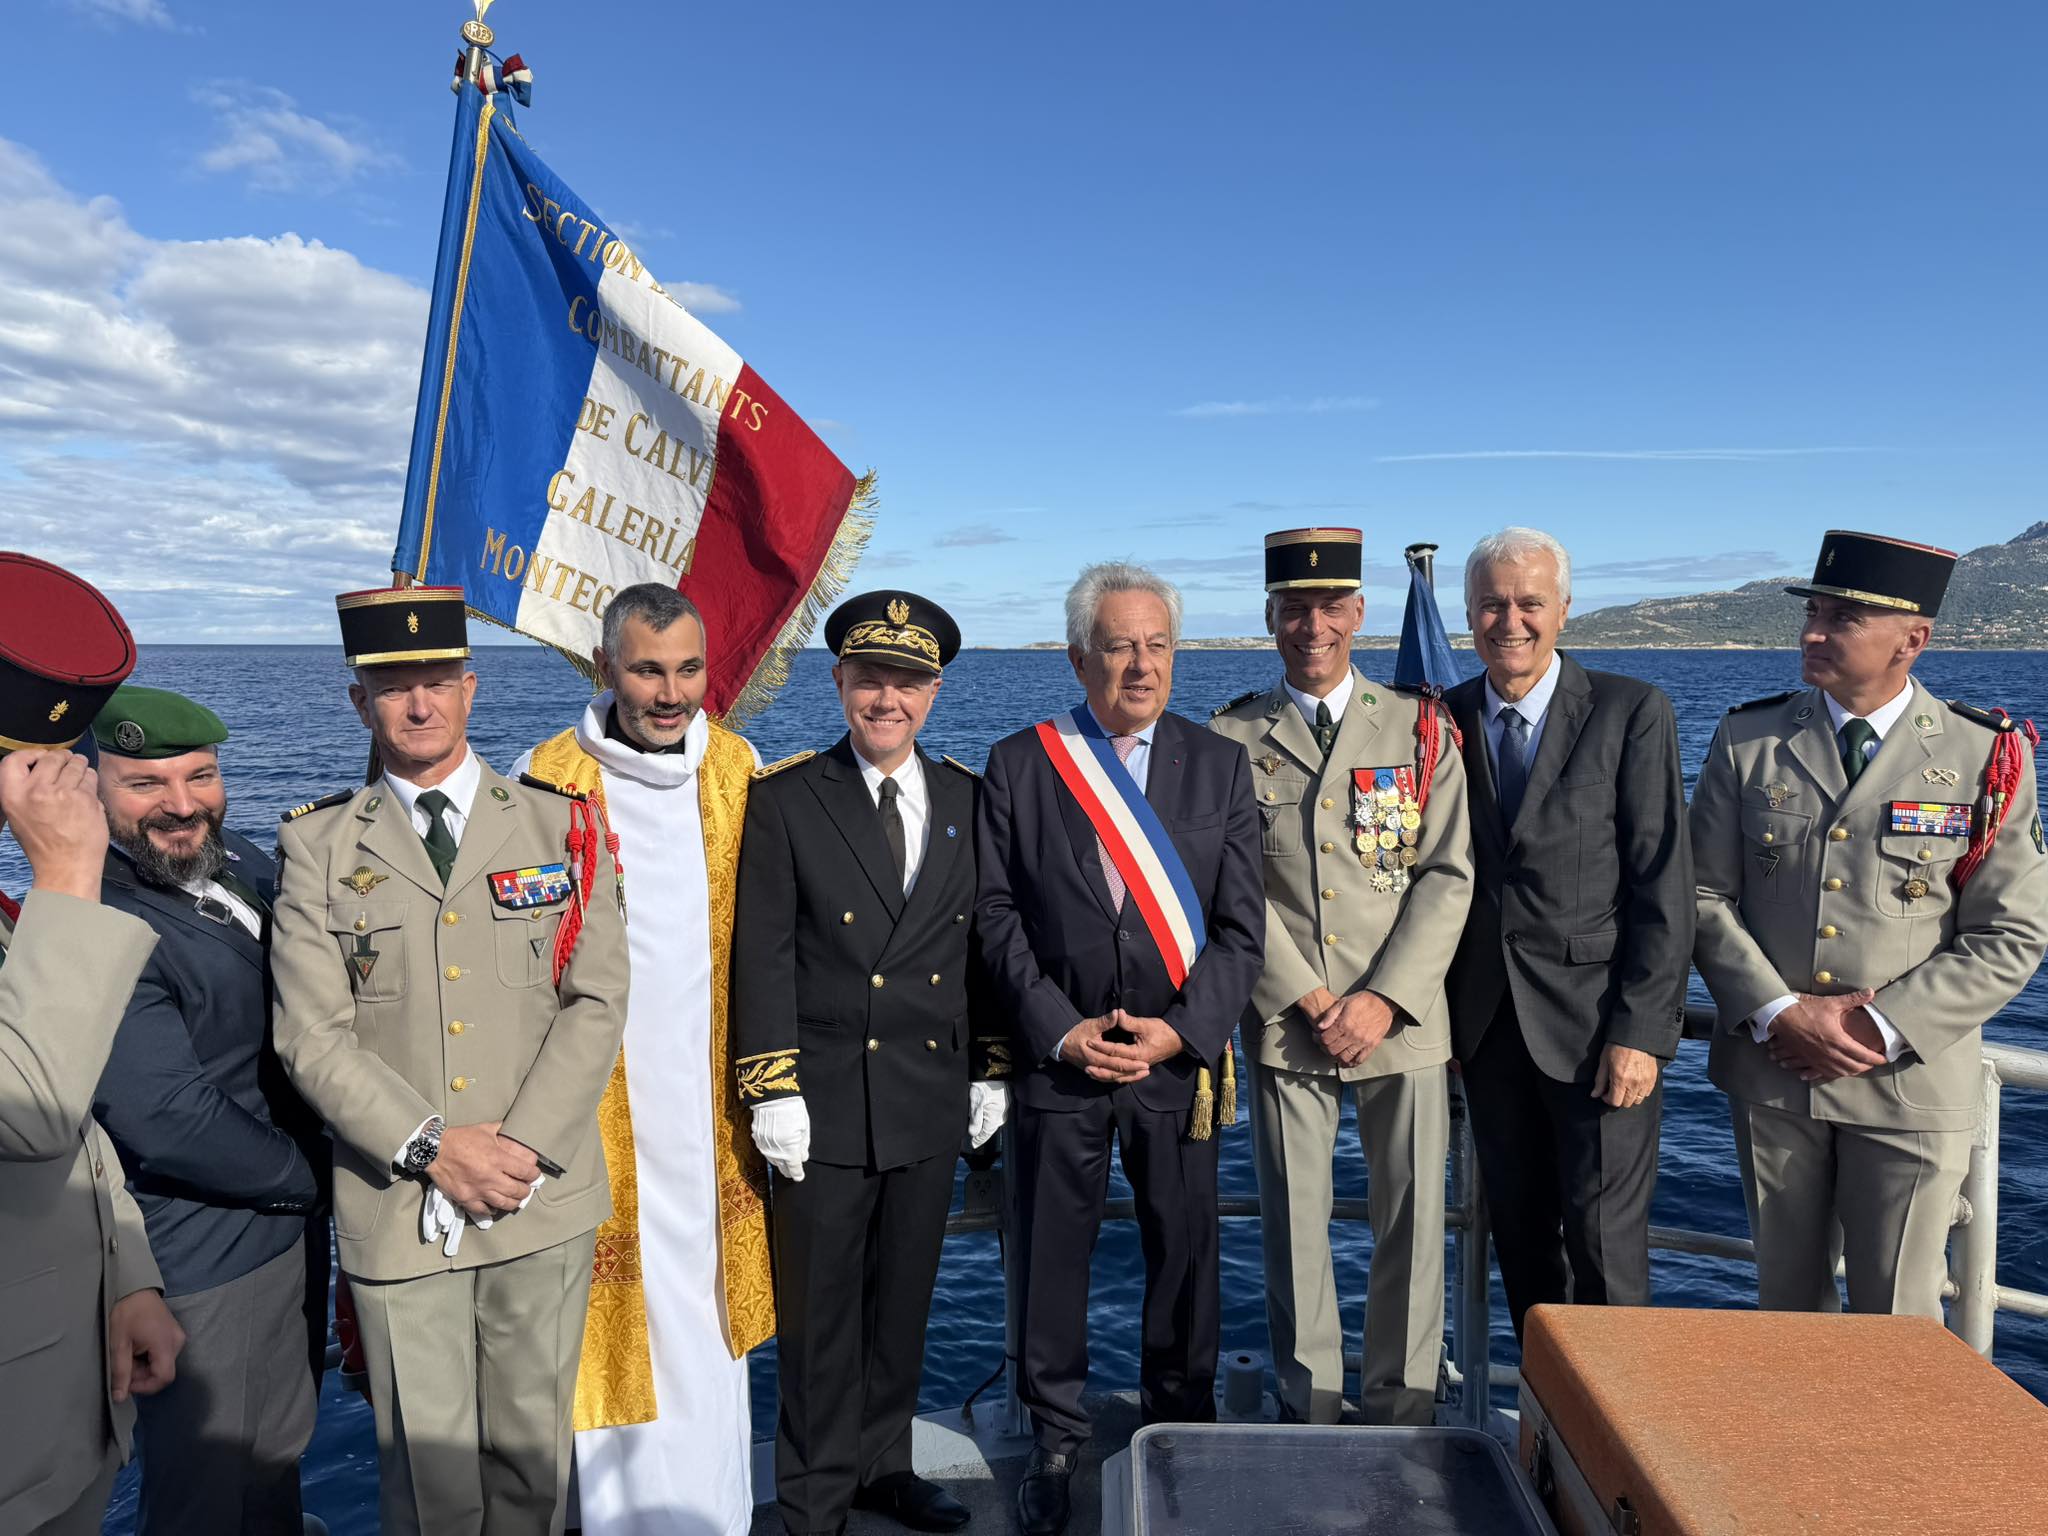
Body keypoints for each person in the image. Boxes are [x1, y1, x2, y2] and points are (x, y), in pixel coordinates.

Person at [270, 585, 630, 1536]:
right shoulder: (316, 845)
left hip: (537, 1196)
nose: (419, 704)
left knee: (532, 1470)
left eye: (437, 681)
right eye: (395, 688)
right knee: (430, 1489)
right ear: (361, 702)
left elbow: (596, 1001)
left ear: (471, 689)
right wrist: (434, 1148)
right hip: (399, 1207)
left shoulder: (562, 826)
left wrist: (519, 1150)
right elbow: (310, 1035)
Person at [1691, 530, 2048, 1316]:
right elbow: (1702, 894)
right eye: (1812, 613)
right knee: (1786, 1309)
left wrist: (1876, 1027)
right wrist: (1781, 1012)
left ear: (1912, 640)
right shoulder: (1749, 740)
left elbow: (2011, 934)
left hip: (1907, 1083)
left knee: (1898, 1322)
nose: (1812, 634)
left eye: (1841, 618)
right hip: (1776, 1072)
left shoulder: (1984, 756)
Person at [976, 562, 1263, 1536]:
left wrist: (1182, 1029)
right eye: (1118, 646)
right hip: (1061, 1062)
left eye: (1156, 645)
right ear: (1077, 658)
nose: (1140, 665)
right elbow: (995, 916)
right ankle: (1055, 1437)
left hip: (1172, 1063)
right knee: (1048, 1259)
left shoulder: (1218, 764)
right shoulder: (1022, 763)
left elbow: (1242, 929)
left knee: (1185, 1255)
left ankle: (1178, 1425)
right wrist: (1058, 1028)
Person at [733, 590, 1008, 1536]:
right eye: (870, 679)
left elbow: (982, 949)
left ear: (934, 693)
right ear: (839, 681)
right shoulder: (786, 800)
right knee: (819, 1318)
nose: (888, 699)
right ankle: (814, 1499)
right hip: (825, 1102)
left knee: (902, 1303)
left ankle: (885, 1466)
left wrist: (992, 1067)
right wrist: (771, 1085)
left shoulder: (969, 799)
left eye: (908, 682)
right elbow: (763, 953)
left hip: (927, 1095)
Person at [510, 584, 772, 1536]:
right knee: (606, 1309)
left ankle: (714, 1512)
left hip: (711, 1102)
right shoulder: (542, 779)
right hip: (598, 1101)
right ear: (604, 667)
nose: (671, 694)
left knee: (704, 1315)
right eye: (648, 671)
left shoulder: (738, 769)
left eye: (689, 669)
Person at [1209, 527, 1473, 1425]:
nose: (1312, 626)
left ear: (1359, 612)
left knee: (1414, 1227)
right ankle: (1309, 1411)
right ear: (1270, 617)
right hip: (1290, 1017)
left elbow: (1448, 874)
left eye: (1329, 607)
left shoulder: (1420, 727)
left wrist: (1383, 998)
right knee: (1293, 1230)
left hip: (1402, 1019)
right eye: (1294, 608)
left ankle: (1405, 1413)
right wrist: (1310, 994)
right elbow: (1230, 885)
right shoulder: (1230, 737)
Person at [89, 685, 330, 1534]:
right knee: (206, 1494)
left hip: (281, 1232)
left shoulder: (237, 863)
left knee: (276, 1462)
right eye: (144, 784)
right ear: (91, 790)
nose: (182, 805)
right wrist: (325, 1176)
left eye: (201, 775)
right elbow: (168, 1117)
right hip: (205, 1258)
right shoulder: (99, 919)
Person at [1442, 528, 1694, 1341]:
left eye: (1529, 603)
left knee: (1605, 1251)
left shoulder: (1630, 711)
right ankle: (1542, 1411)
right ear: (1467, 613)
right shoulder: (1442, 718)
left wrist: (1642, 1033)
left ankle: (1615, 1422)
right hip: (1485, 1034)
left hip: (1596, 1034)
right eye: (1491, 604)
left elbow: (1663, 885)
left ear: (1564, 610)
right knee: (1521, 1247)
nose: (1509, 621)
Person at [0, 552, 184, 1536]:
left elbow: (76, 1132)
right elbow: (28, 1106)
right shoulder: (52, 888)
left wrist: (128, 1272)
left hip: (62, 1409)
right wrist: (70, 872)